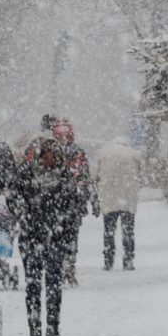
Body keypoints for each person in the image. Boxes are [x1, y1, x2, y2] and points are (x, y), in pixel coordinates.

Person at [10, 126, 90, 336]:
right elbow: (13, 198)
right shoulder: (26, 175)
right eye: (46, 157)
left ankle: (52, 328)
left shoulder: (64, 179)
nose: (49, 161)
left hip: (54, 237)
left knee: (53, 283)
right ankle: (34, 328)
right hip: (32, 236)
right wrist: (24, 214)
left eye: (53, 157)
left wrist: (65, 229)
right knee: (33, 284)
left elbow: (71, 207)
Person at [50, 118, 93, 286]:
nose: (62, 139)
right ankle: (63, 267)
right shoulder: (51, 152)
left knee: (69, 236)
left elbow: (84, 177)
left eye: (64, 135)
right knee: (62, 237)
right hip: (59, 203)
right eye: (59, 136)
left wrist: (83, 194)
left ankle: (68, 267)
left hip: (68, 203)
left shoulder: (77, 153)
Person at [96, 136, 143, 270]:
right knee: (128, 231)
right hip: (127, 198)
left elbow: (96, 175)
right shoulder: (134, 154)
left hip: (109, 198)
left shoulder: (102, 153)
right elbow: (141, 174)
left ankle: (108, 260)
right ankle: (128, 259)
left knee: (109, 231)